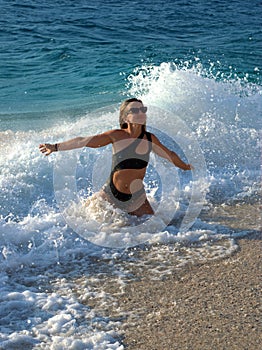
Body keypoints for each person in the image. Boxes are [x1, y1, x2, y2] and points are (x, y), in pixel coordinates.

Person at [39, 98, 192, 217]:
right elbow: (83, 141)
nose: (141, 113)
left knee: (153, 229)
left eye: (142, 109)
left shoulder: (150, 139)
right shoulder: (117, 136)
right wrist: (56, 147)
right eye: (135, 110)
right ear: (125, 117)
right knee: (93, 225)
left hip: (136, 198)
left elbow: (169, 155)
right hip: (110, 195)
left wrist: (185, 166)